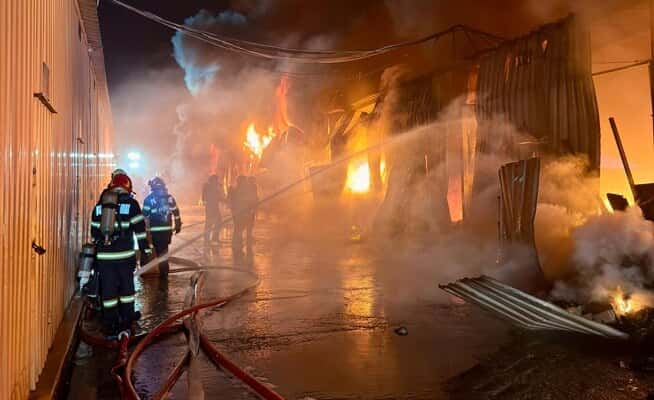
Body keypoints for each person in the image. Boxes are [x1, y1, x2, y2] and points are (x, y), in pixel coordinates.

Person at [90, 173, 152, 337]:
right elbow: (140, 230)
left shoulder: (100, 206)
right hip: (125, 257)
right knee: (126, 291)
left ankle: (110, 324)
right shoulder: (131, 204)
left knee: (108, 292)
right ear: (127, 187)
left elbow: (94, 232)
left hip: (104, 259)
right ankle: (126, 319)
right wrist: (145, 251)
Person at [142, 177, 182, 277]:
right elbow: (176, 212)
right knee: (164, 251)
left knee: (158, 252)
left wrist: (144, 231)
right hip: (167, 231)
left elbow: (144, 216)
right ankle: (164, 271)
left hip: (155, 232)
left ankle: (162, 272)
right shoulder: (169, 198)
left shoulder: (149, 199)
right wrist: (178, 225)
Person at [228, 175, 249, 257]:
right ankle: (237, 244)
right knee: (238, 228)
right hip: (238, 212)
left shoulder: (239, 189)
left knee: (239, 228)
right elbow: (236, 201)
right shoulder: (237, 190)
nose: (245, 182)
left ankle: (237, 243)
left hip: (240, 211)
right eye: (244, 181)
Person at [202, 174, 225, 246]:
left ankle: (213, 238)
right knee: (209, 223)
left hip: (214, 207)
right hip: (210, 207)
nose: (217, 181)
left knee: (218, 222)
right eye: (216, 180)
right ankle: (208, 238)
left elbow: (218, 197)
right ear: (213, 180)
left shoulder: (212, 187)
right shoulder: (208, 187)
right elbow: (206, 197)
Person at [245, 176, 259, 251]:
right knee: (250, 222)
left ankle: (249, 236)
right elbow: (254, 196)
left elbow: (255, 196)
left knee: (250, 222)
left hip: (250, 207)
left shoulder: (251, 186)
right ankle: (248, 236)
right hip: (249, 207)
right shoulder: (252, 187)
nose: (253, 182)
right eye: (252, 181)